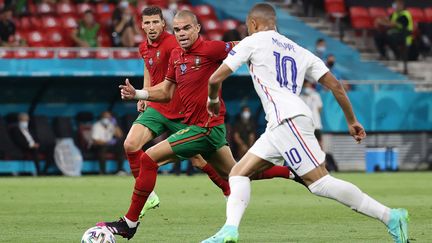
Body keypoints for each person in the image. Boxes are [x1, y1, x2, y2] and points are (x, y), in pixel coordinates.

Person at [202, 3, 409, 243]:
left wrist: (213, 101)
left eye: (249, 27)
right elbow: (335, 86)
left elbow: (215, 78)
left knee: (320, 183)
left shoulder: (253, 41)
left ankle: (391, 216)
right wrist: (351, 120)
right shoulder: (300, 50)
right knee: (238, 173)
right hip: (281, 122)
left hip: (287, 120)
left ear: (253, 24)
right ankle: (230, 229)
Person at [97, 10, 294, 240]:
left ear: (198, 28)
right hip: (203, 127)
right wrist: (139, 93)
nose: (181, 33)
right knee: (238, 172)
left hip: (205, 127)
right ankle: (293, 172)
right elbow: (165, 91)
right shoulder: (176, 56)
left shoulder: (212, 49)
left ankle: (129, 223)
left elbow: (247, 45)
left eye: (187, 28)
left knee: (148, 159)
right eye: (178, 29)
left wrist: (271, 39)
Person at [122, 6, 232, 217]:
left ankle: (228, 189)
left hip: (180, 110)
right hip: (156, 106)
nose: (151, 26)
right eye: (147, 22)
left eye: (156, 22)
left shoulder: (175, 42)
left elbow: (198, 61)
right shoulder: (143, 47)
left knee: (199, 160)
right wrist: (143, 93)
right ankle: (148, 195)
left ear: (164, 24)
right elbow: (148, 66)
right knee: (130, 144)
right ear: (141, 25)